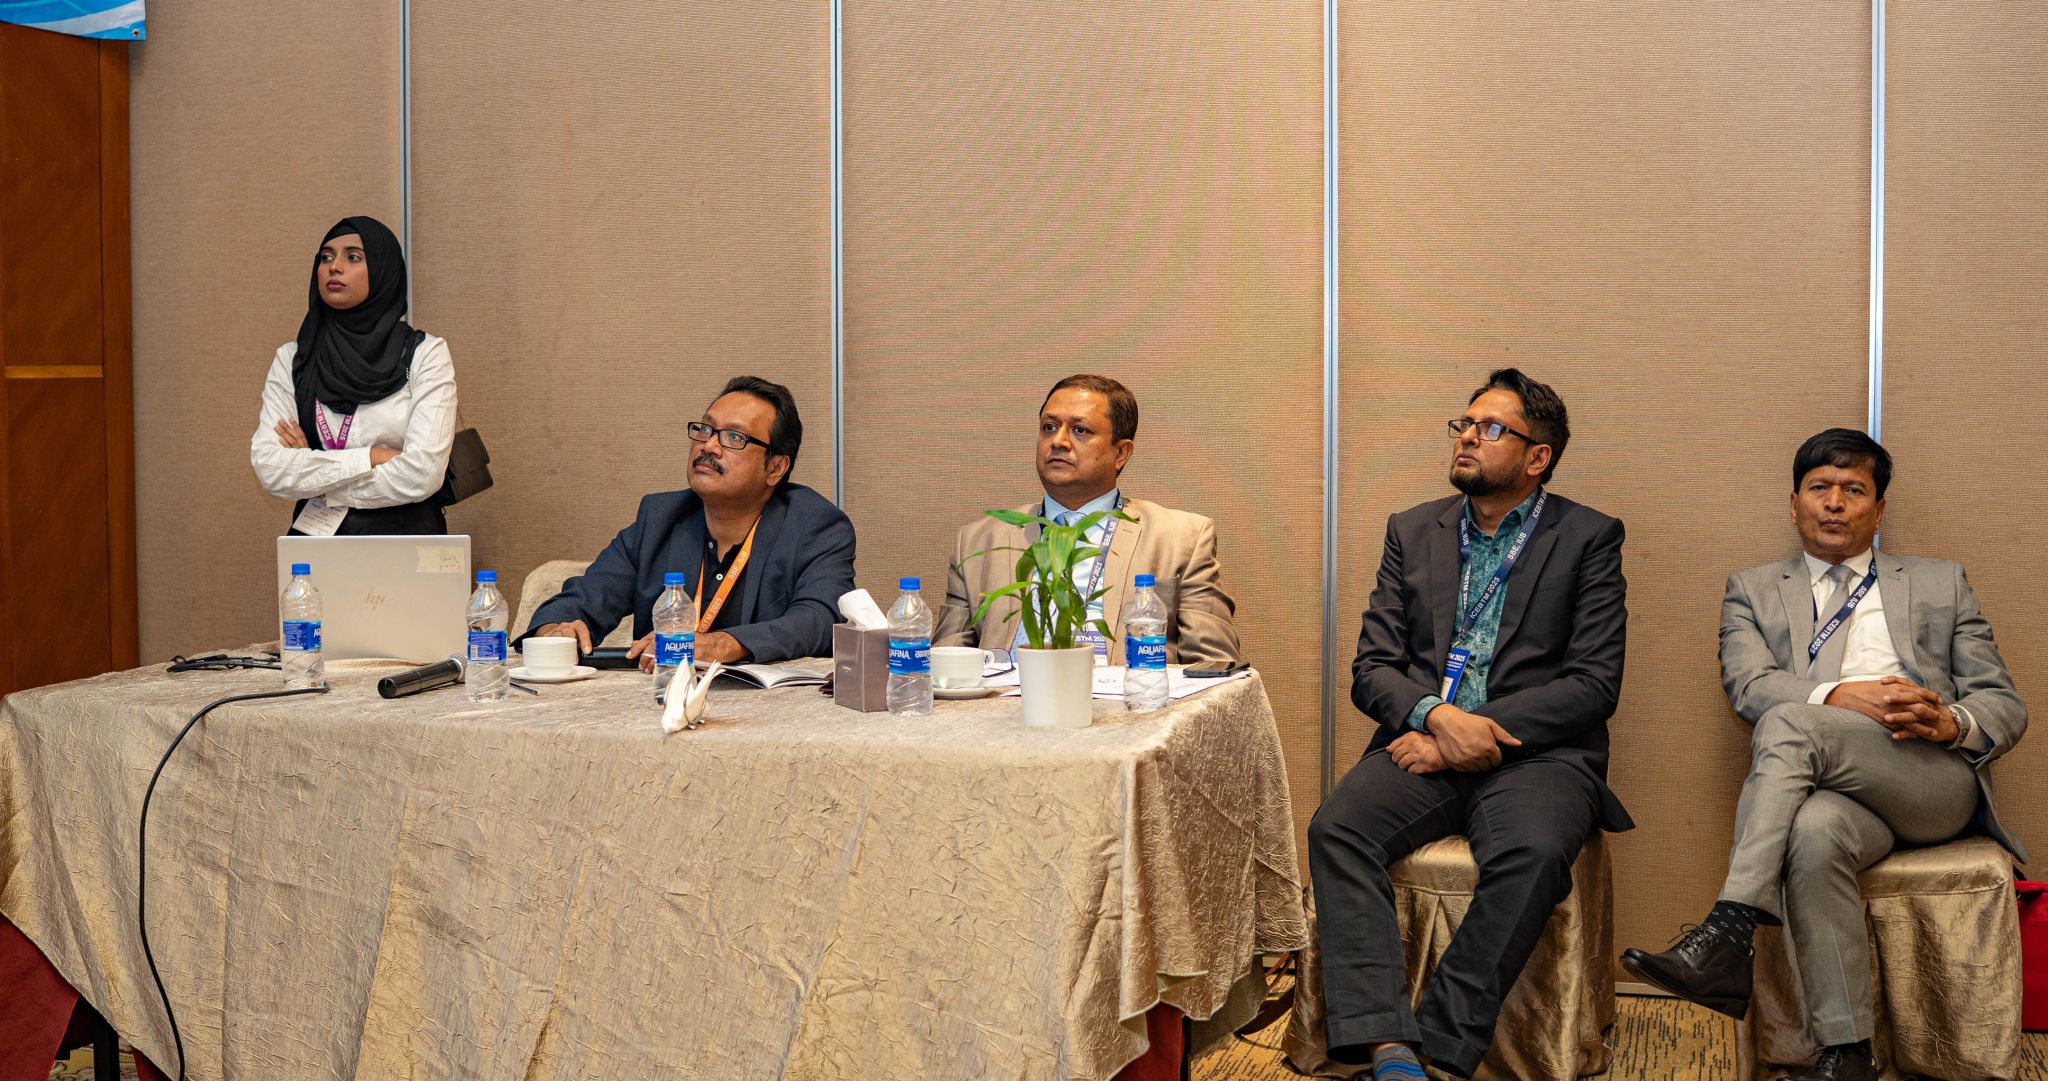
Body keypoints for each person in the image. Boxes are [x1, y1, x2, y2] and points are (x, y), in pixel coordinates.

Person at [1620, 429, 2026, 1081]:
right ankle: (1848, 1051)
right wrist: (1838, 696)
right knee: (1813, 832)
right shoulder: (1752, 590)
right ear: (1794, 503)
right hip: (1828, 793)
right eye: (1819, 488)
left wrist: (1949, 721)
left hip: (1926, 777)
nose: (1834, 502)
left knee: (1788, 722)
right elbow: (1748, 685)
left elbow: (2004, 703)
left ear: (1878, 508)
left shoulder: (1940, 582)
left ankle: (1729, 928)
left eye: (1854, 489)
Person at [1307, 368, 1630, 1081]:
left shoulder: (1588, 537)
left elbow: (1593, 683)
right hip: (1423, 739)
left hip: (1539, 755)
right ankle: (1386, 1045)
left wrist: (1469, 731)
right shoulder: (1412, 529)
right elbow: (1372, 666)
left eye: (1490, 428)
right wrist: (1438, 717)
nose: (1467, 438)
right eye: (1463, 424)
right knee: (1338, 829)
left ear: (1538, 456)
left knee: (1533, 852)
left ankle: (1442, 1045)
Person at [523, 376, 854, 667]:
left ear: (775, 468)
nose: (709, 445)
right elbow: (583, 599)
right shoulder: (660, 518)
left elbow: (822, 619)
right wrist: (558, 629)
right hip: (661, 703)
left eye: (734, 437)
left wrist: (722, 644)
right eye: (705, 429)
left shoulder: (815, 526)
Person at [934, 373, 1242, 667]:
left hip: (1129, 698)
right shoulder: (978, 542)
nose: (1059, 441)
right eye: (1049, 427)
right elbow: (944, 664)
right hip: (1009, 700)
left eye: (1080, 430)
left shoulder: (1182, 538)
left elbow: (1213, 666)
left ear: (1121, 453)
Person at [250, 216, 458, 535]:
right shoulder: (293, 359)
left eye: (353, 257)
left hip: (407, 539)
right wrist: (373, 457)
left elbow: (423, 473)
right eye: (326, 257)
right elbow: (271, 469)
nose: (334, 267)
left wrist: (317, 478)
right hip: (315, 541)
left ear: (383, 270)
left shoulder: (425, 353)